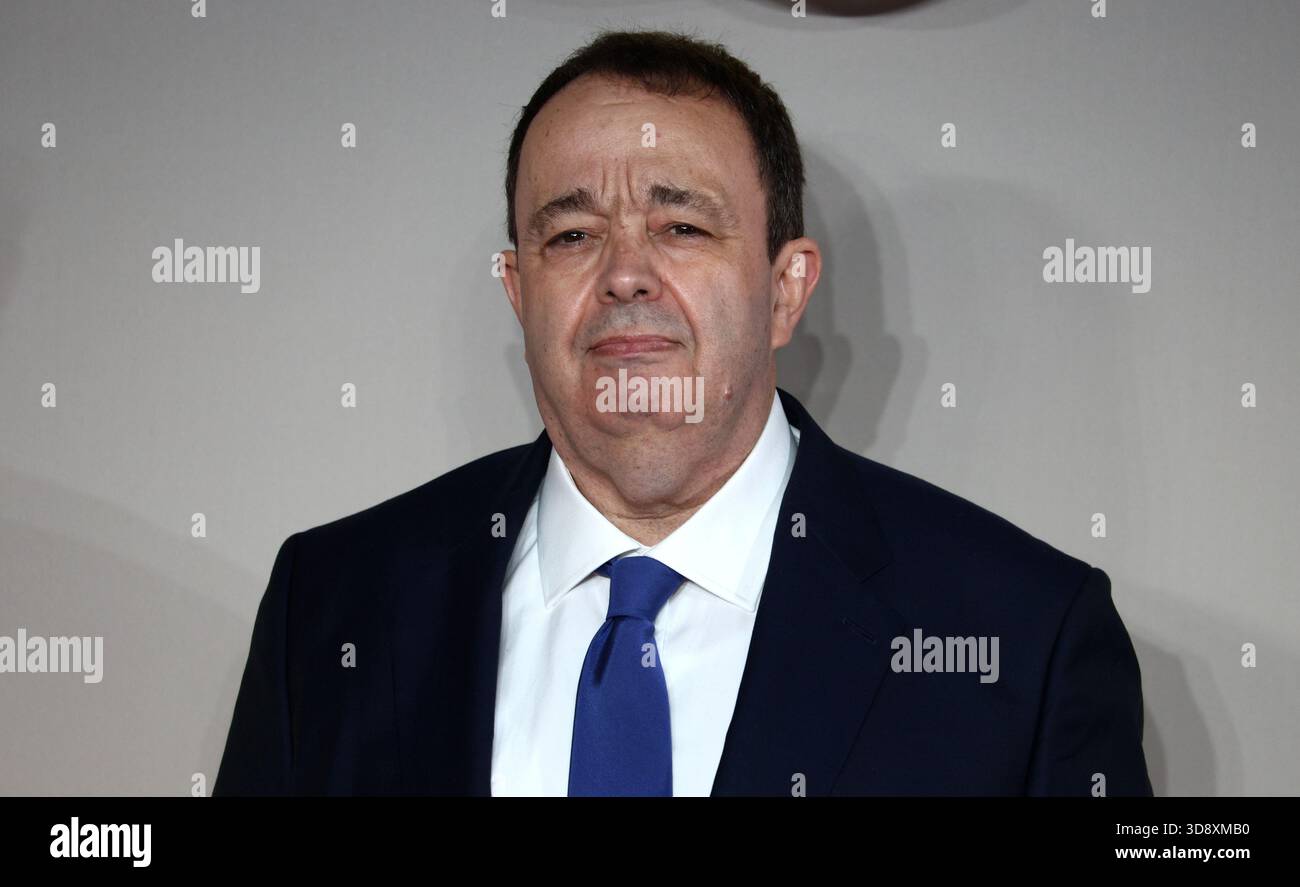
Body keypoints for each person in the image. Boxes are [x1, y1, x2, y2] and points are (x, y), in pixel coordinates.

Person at [214, 29, 1152, 797]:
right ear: (517, 290)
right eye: (572, 233)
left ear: (786, 290)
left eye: (682, 226)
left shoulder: (1026, 639)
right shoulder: (329, 603)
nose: (625, 273)